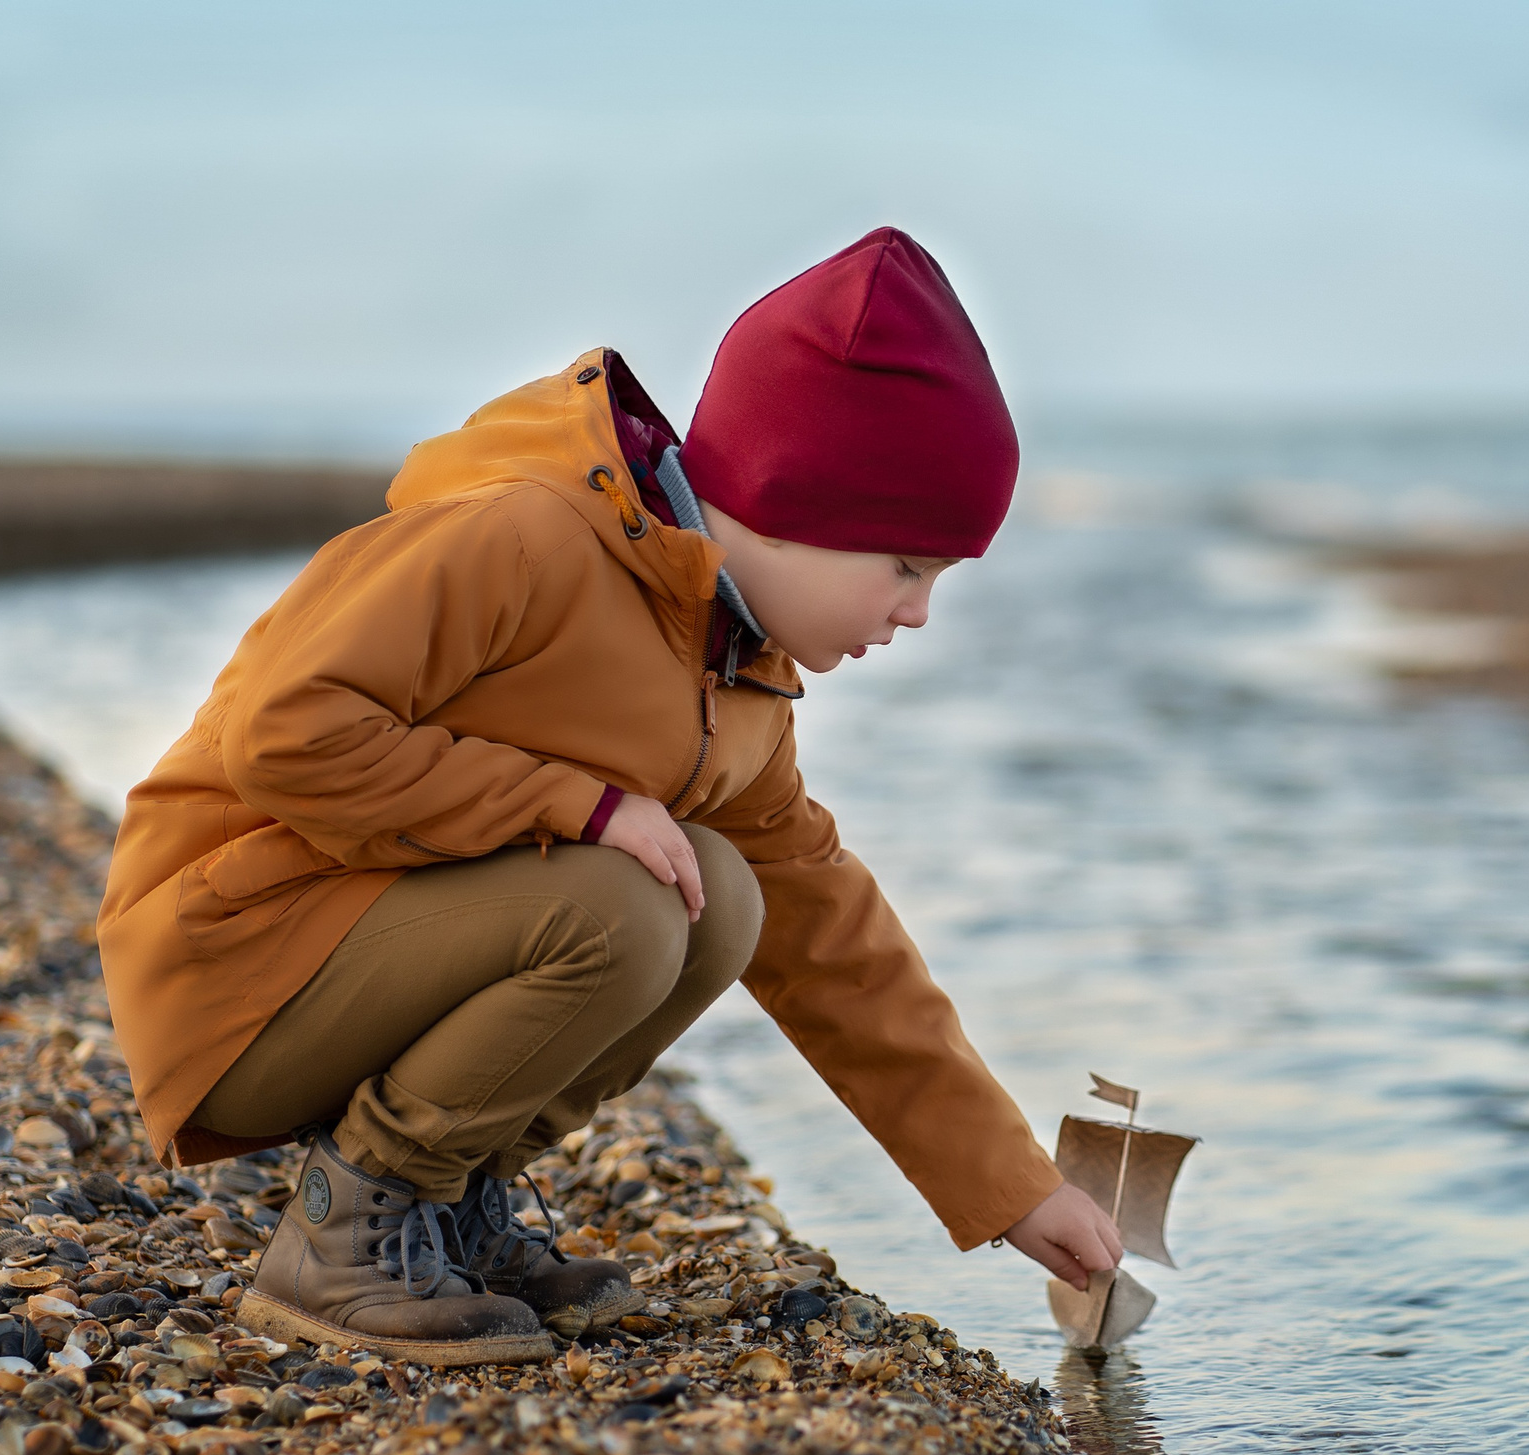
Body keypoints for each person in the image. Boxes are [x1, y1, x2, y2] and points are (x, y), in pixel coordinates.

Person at [97, 227, 1125, 1364]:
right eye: (906, 566)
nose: (918, 612)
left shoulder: (733, 670)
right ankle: (345, 1233)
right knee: (627, 901)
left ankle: (445, 1208)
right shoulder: (521, 538)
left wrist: (1011, 1187)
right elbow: (284, 733)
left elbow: (834, 948)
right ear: (797, 502)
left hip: (359, 961)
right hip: (234, 965)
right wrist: (577, 805)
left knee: (725, 896)